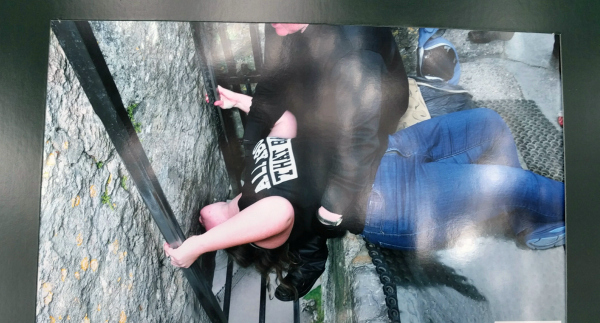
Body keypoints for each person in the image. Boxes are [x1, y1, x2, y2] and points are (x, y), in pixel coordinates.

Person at [164, 107, 565, 291]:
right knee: (518, 184)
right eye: (206, 228)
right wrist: (196, 246)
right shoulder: (262, 229)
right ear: (234, 240)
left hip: (389, 150)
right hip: (396, 201)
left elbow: (285, 124)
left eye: (201, 226)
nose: (201, 218)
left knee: (490, 124)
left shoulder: (250, 179)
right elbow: (277, 212)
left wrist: (242, 102)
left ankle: (523, 222)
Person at [238, 23, 409, 300]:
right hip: (325, 92)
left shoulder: (354, 46)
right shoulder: (282, 20)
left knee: (317, 168)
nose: (271, 22)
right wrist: (251, 146)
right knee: (289, 150)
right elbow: (273, 81)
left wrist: (329, 212)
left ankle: (310, 255)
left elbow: (358, 142)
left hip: (373, 111)